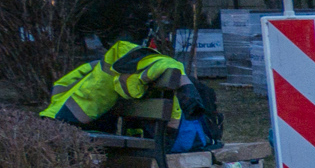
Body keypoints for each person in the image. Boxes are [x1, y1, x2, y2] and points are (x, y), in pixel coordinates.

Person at [41, 40, 217, 145]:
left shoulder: (125, 58)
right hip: (73, 116)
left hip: (70, 116)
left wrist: (185, 85)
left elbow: (170, 66)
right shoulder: (119, 61)